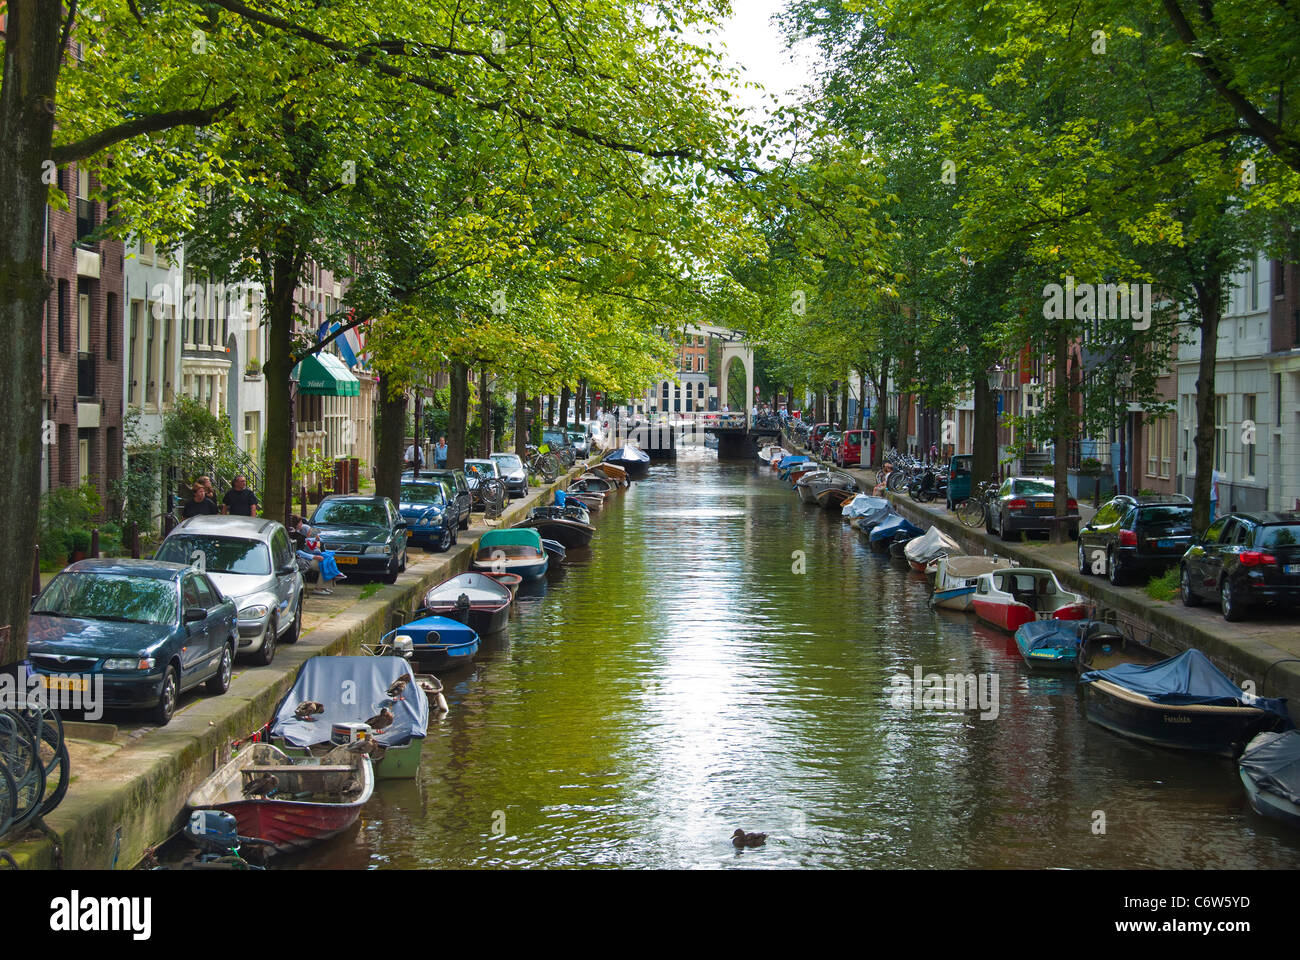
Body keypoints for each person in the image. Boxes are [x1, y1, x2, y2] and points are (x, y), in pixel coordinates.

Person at [297, 526, 346, 595]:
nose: (310, 533)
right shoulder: (302, 541)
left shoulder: (307, 539)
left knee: (329, 560)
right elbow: (308, 549)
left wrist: (316, 540)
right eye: (309, 531)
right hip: (306, 560)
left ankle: (325, 585)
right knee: (324, 564)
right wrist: (314, 554)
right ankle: (319, 588)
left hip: (312, 557)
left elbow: (313, 542)